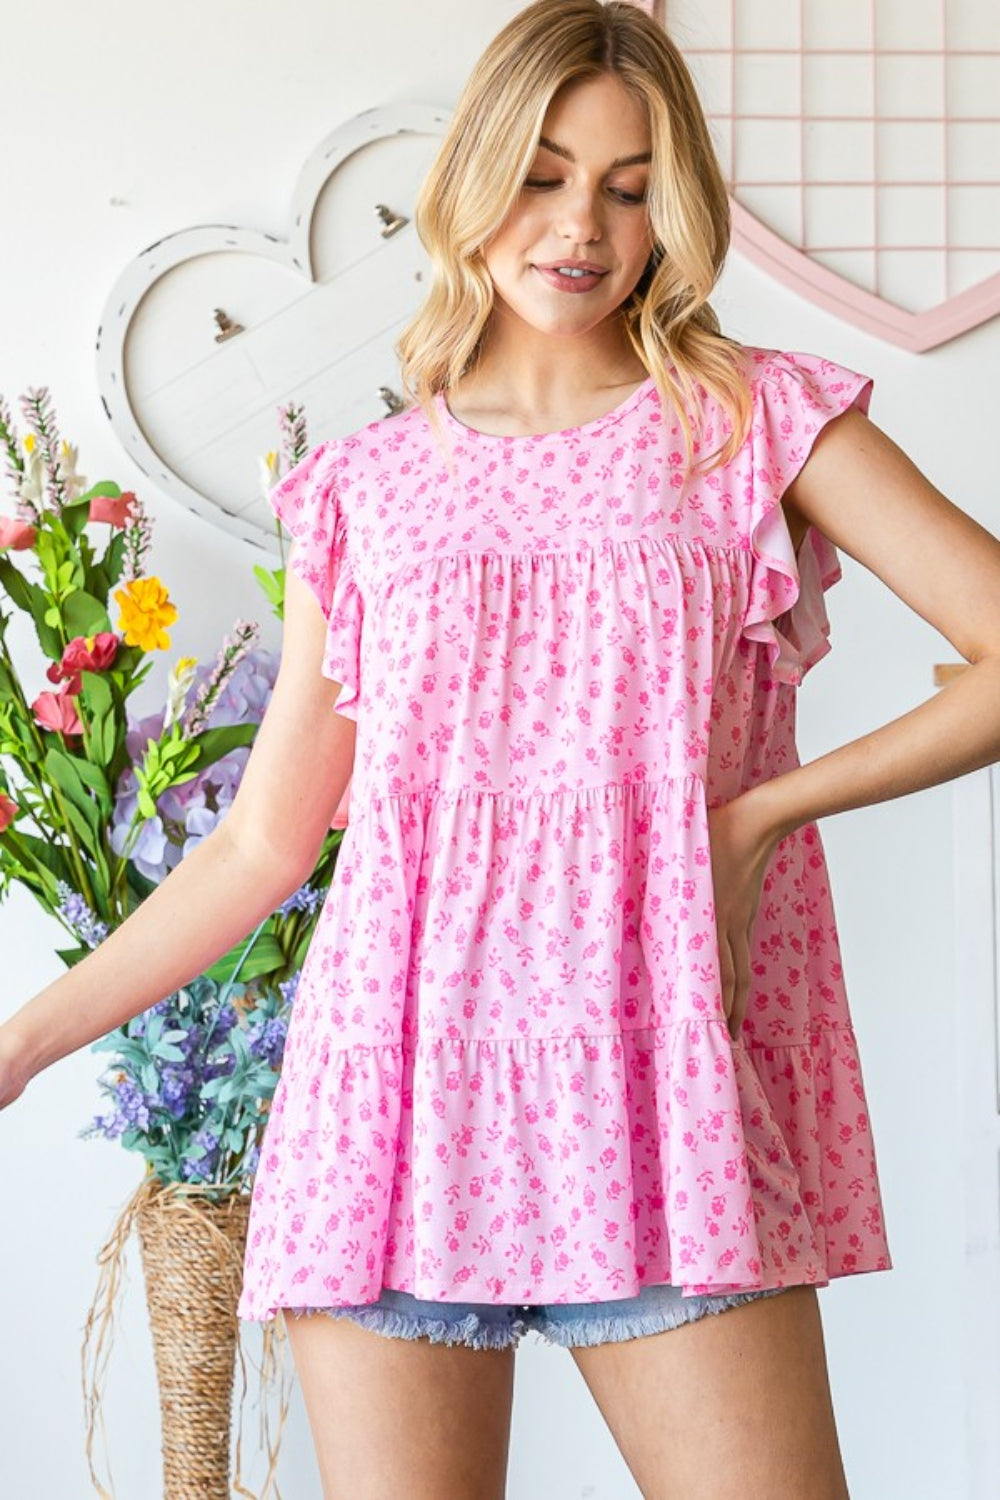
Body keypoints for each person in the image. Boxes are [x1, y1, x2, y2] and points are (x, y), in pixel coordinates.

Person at [3, 1, 1000, 1495]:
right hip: (391, 1113)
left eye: (627, 181)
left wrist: (756, 820)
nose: (582, 225)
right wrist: (22, 1042)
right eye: (542, 173)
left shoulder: (754, 425)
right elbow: (265, 846)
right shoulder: (362, 493)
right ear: (471, 180)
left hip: (660, 1107)